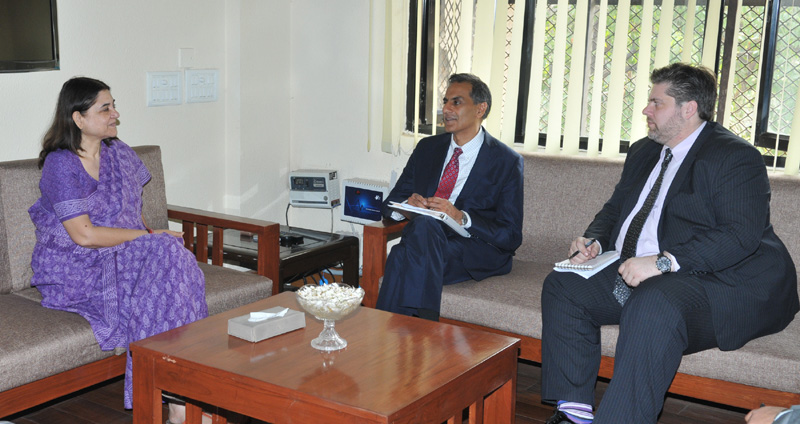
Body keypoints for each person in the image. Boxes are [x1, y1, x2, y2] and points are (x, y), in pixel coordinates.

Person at [540, 63, 799, 423]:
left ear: (688, 108)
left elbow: (740, 235)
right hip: (646, 273)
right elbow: (616, 208)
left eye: (655, 103)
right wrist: (595, 242)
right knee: (564, 284)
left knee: (653, 303)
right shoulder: (645, 151)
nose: (646, 110)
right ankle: (573, 411)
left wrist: (661, 263)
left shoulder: (734, 157)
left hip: (719, 280)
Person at [28, 77, 209, 424]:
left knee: (174, 256)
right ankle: (181, 401)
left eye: (113, 106)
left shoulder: (118, 152)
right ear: (78, 118)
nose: (116, 114)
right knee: (169, 256)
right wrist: (146, 238)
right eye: (105, 108)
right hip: (75, 265)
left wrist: (151, 234)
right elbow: (83, 235)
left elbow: (132, 209)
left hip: (120, 251)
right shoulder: (60, 165)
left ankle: (179, 397)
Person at [375, 73, 524, 320]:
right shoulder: (427, 149)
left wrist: (460, 217)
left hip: (472, 248)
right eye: (445, 101)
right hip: (429, 240)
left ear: (480, 108)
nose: (445, 109)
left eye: (456, 102)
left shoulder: (506, 162)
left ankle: (391, 337)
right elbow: (392, 202)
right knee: (423, 226)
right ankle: (422, 332)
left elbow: (511, 236)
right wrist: (408, 207)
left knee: (402, 256)